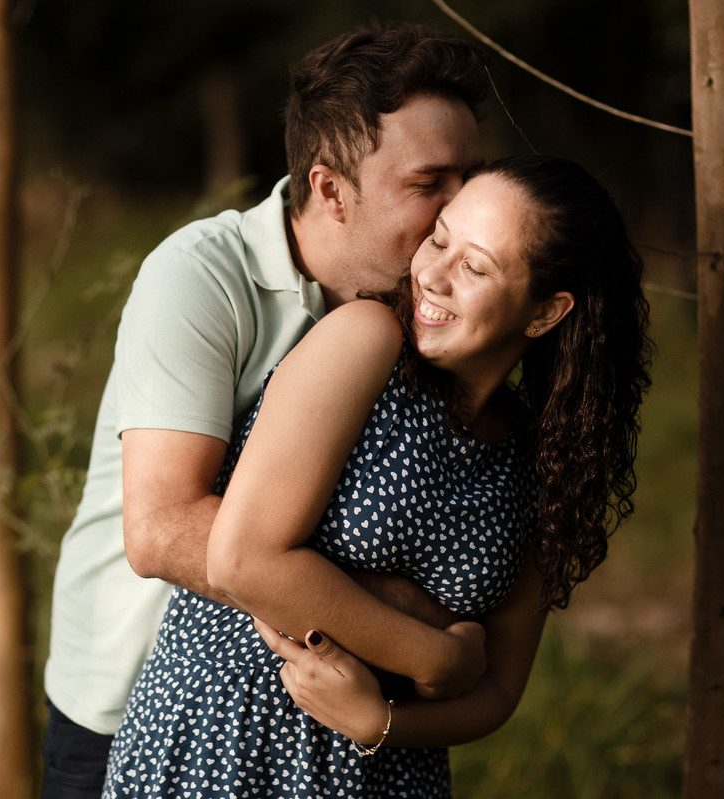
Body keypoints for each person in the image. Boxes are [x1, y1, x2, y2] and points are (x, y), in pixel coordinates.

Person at [101, 154, 653, 798]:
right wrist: (435, 656)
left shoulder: (542, 458)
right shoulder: (366, 341)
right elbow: (241, 561)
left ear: (546, 312)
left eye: (475, 267)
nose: (435, 276)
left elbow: (500, 688)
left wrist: (381, 723)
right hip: (226, 744)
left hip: (389, 775)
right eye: (439, 239)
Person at [42, 24, 490, 797]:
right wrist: (413, 619)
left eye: (472, 178)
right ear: (329, 189)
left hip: (313, 719)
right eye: (429, 183)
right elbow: (162, 529)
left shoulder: (434, 315)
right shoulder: (202, 279)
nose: (463, 209)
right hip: (136, 709)